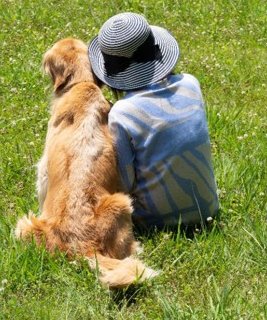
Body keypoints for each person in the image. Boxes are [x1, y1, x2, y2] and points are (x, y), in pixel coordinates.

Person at [88, 12, 219, 230]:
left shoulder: (123, 112)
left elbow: (126, 183)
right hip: (208, 208)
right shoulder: (191, 84)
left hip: (154, 222)